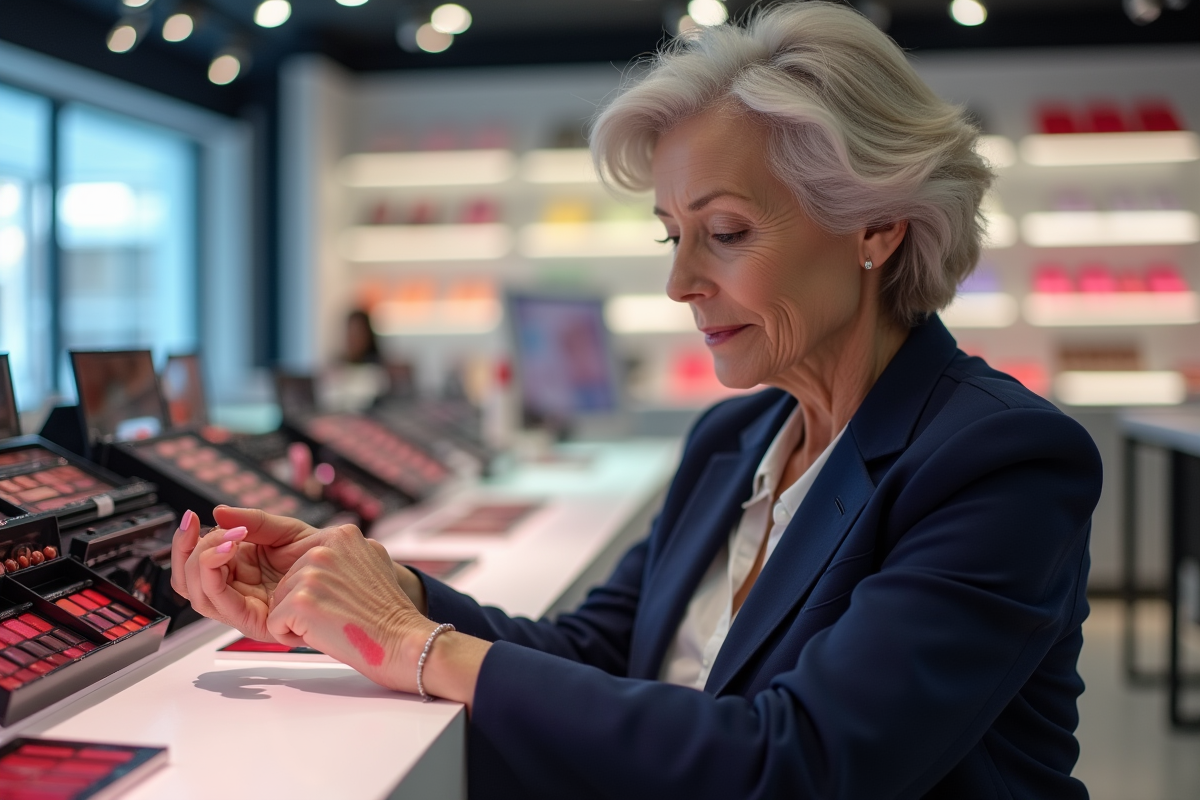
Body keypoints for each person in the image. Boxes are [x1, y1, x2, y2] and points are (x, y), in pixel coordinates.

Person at [172, 4, 1102, 798]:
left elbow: (804, 765)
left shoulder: (1000, 461)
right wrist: (364, 593)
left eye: (726, 232)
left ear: (878, 231)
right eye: (672, 237)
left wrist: (409, 644)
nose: (682, 283)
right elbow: (601, 652)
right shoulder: (737, 437)